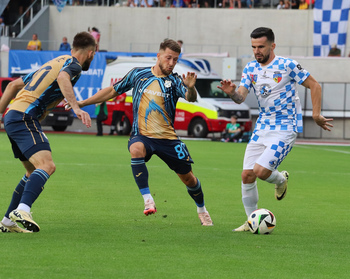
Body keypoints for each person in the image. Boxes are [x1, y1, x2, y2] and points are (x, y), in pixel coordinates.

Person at [76, 39, 213, 226]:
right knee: (136, 149)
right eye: (168, 58)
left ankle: (202, 209)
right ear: (158, 56)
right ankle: (148, 199)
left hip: (168, 139)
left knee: (189, 178)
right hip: (143, 135)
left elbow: (191, 98)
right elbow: (111, 91)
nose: (171, 63)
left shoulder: (175, 81)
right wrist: (83, 103)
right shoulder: (138, 74)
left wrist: (190, 88)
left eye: (175, 60)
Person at [217, 27, 333, 232]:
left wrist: (316, 115)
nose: (257, 51)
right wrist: (232, 93)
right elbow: (240, 98)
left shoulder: (287, 65)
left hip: (285, 128)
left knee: (260, 172)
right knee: (247, 175)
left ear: (272, 45)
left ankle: (281, 179)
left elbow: (315, 85)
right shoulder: (251, 68)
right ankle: (251, 221)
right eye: (253, 47)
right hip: (262, 126)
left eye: (261, 46)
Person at [0, 31, 96, 233]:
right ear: (91, 53)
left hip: (13, 116)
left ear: (71, 49)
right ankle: (23, 210)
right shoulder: (74, 66)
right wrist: (76, 107)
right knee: (47, 165)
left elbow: (13, 85)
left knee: (32, 171)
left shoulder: (53, 63)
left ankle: (7, 221)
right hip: (24, 117)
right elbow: (63, 78)